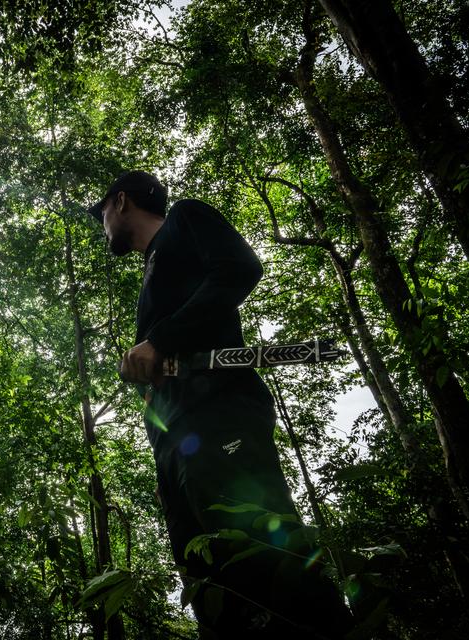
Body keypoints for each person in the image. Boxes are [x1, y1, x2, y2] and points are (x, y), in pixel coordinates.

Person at [88, 170, 352, 639]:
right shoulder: (153, 276)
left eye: (101, 210)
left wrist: (159, 339)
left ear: (122, 201)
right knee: (210, 580)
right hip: (179, 444)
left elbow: (240, 267)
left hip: (220, 414)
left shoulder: (185, 219)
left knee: (259, 554)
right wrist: (168, 460)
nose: (101, 222)